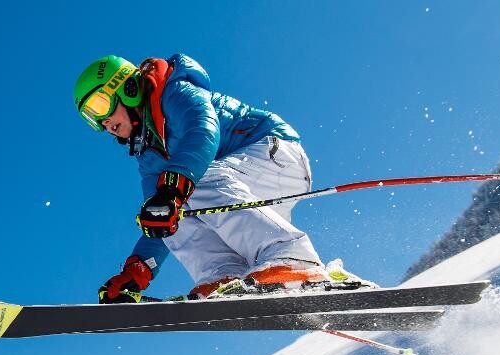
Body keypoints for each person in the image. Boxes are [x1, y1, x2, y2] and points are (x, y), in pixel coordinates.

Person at [73, 54, 365, 303]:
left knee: (183, 186)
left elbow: (202, 132)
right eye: (91, 119)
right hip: (235, 190)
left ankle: (291, 258)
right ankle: (224, 274)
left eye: (99, 106)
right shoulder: (149, 157)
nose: (103, 123)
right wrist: (136, 272)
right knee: (164, 212)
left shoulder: (173, 91)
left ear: (128, 87)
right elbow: (160, 221)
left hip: (274, 155)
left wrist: (173, 189)